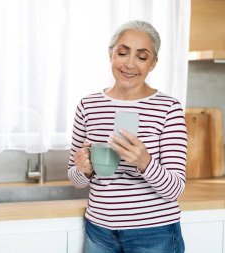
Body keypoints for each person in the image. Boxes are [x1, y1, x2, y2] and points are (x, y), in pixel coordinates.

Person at [67, 20, 187, 253]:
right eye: (123, 53)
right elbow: (75, 180)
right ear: (111, 54)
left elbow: (175, 189)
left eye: (142, 57)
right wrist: (84, 169)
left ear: (153, 63)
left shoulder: (168, 109)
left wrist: (145, 162)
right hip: (99, 231)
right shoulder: (88, 106)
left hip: (155, 233)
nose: (130, 64)